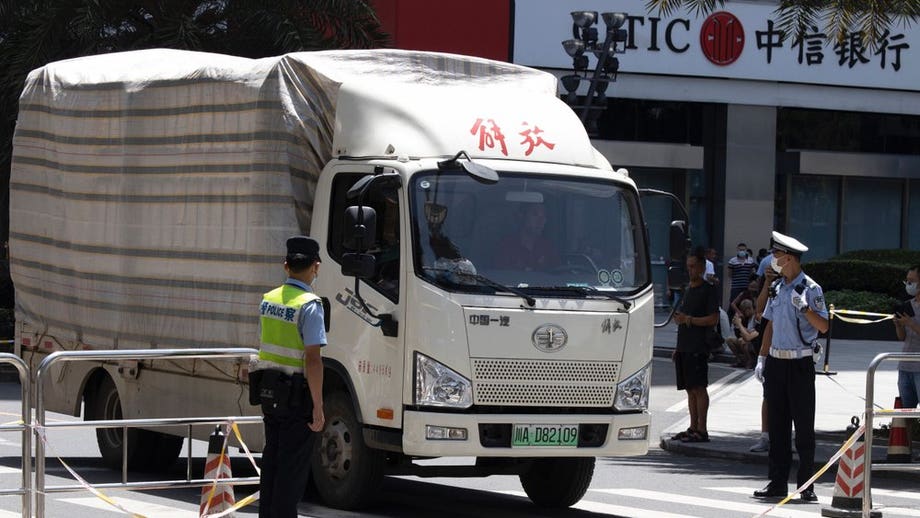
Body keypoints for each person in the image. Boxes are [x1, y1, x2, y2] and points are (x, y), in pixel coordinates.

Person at [252, 236, 326, 518]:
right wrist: (318, 406)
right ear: (315, 267)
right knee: (291, 473)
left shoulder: (267, 300)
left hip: (270, 393)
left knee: (271, 463)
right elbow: (313, 360)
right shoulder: (310, 305)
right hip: (297, 398)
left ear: (286, 266)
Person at [753, 231, 828, 503]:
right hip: (776, 363)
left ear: (789, 258)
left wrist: (806, 308)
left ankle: (806, 485)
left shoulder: (810, 288)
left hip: (800, 364)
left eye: (776, 255)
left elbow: (823, 326)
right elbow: (769, 324)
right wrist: (762, 358)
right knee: (778, 427)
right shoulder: (777, 287)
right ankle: (777, 483)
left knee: (804, 429)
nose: (773, 260)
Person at [671, 248, 720, 443]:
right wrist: (678, 346)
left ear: (701, 267)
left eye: (694, 267)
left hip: (698, 346)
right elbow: (681, 318)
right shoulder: (687, 289)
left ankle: (702, 429)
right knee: (689, 389)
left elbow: (713, 318)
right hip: (684, 345)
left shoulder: (708, 290)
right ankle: (692, 426)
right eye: (688, 267)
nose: (690, 270)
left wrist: (689, 320)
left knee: (699, 388)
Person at [495, 202, 560, 271]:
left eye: (544, 216)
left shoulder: (548, 247)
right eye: (535, 215)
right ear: (522, 216)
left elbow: (558, 274)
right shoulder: (506, 245)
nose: (541, 221)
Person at [894, 265, 920, 410]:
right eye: (907, 281)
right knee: (906, 412)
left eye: (912, 281)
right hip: (905, 366)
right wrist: (899, 325)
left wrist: (910, 323)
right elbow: (902, 337)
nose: (909, 285)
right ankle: (911, 434)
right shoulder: (907, 305)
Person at [726, 299, 759, 369]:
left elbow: (752, 334)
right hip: (747, 338)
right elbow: (740, 333)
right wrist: (737, 325)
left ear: (749, 309)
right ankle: (741, 360)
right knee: (730, 340)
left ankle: (751, 361)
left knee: (743, 341)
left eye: (745, 311)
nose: (743, 313)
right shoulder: (746, 319)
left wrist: (740, 325)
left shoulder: (756, 318)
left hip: (754, 341)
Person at [727, 243, 757, 307]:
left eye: (743, 250)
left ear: (746, 250)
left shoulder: (750, 260)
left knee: (746, 304)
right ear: (737, 250)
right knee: (733, 303)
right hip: (736, 286)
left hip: (747, 286)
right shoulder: (732, 261)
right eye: (740, 250)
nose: (742, 251)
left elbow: (753, 272)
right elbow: (730, 274)